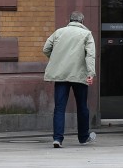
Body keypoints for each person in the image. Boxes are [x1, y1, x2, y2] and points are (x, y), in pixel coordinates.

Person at [42, 10, 97, 148]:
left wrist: (56, 60)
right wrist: (90, 73)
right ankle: (83, 137)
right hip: (79, 75)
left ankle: (57, 139)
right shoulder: (86, 34)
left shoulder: (58, 32)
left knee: (59, 108)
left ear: (70, 20)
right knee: (82, 106)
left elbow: (46, 48)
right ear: (82, 21)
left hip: (61, 75)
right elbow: (90, 55)